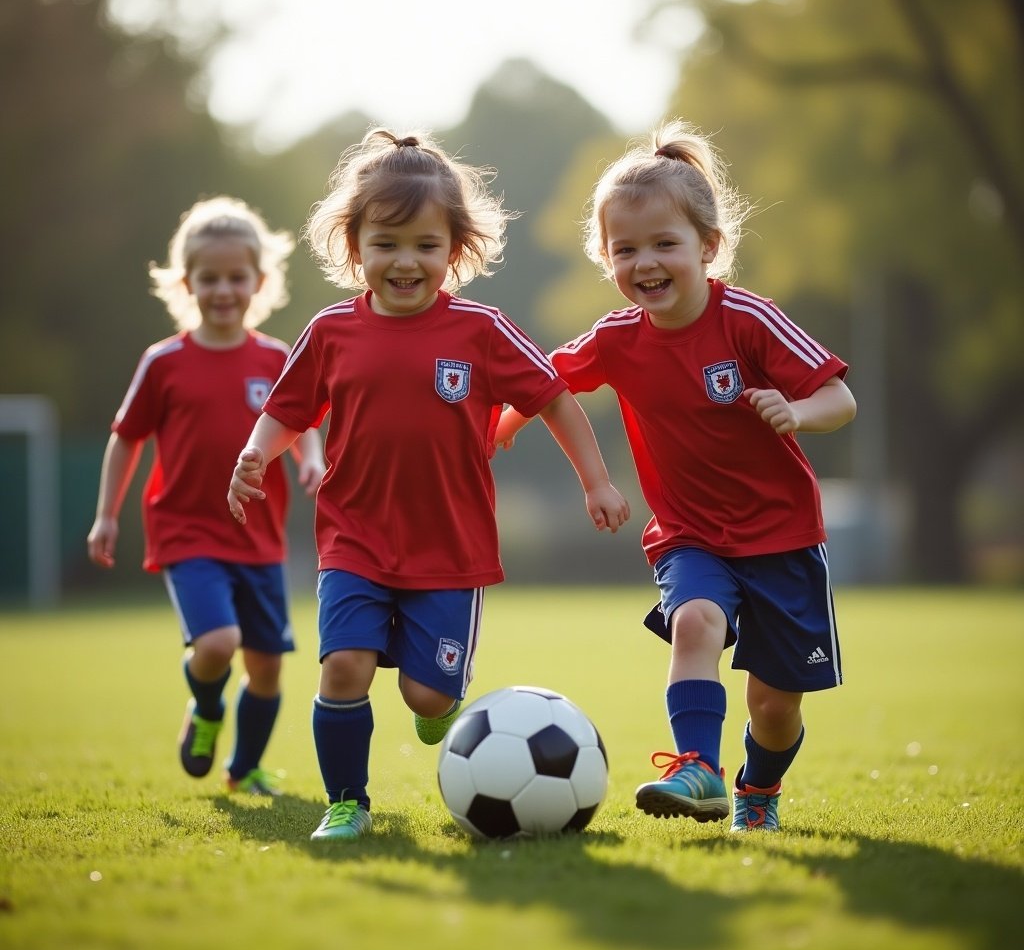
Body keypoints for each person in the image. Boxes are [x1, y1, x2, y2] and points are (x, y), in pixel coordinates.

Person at [227, 128, 630, 843]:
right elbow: (286, 411)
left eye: (425, 245)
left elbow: (554, 398)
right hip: (353, 539)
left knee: (428, 695)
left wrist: (595, 481)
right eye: (385, 244)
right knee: (343, 666)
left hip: (448, 549)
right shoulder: (330, 332)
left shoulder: (482, 331)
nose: (405, 262)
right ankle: (347, 802)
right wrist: (254, 456)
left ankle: (439, 699)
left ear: (456, 249)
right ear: (355, 249)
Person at [495, 120, 856, 833]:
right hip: (691, 536)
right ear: (606, 258)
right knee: (694, 621)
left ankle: (757, 786)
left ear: (708, 247)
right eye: (625, 249)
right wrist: (505, 421)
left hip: (781, 536)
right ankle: (697, 767)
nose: (646, 262)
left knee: (775, 707)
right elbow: (543, 380)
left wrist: (796, 410)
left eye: (665, 244)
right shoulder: (616, 338)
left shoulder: (747, 319)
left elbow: (842, 400)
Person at [87, 196, 325, 796]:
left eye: (235, 277)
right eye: (209, 278)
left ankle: (243, 769)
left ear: (259, 281)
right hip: (187, 533)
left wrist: (312, 458)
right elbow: (126, 439)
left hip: (259, 537)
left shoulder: (276, 358)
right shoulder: (164, 363)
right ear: (186, 282)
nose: (223, 289)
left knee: (267, 667)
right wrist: (106, 517)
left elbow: (300, 421)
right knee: (219, 644)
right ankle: (207, 710)